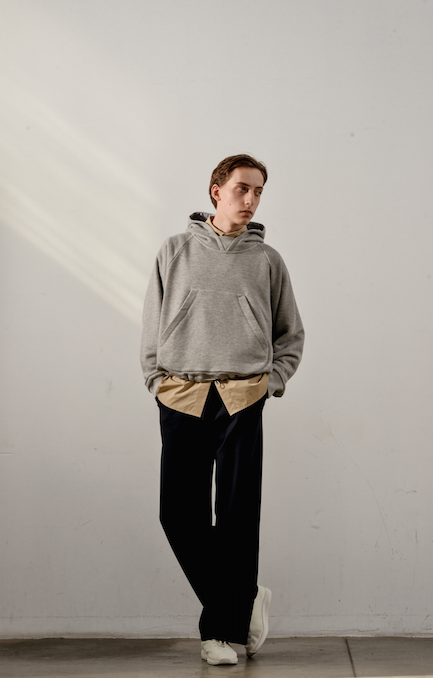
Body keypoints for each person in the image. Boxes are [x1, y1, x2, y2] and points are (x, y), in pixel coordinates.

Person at [140, 154, 304, 665]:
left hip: (242, 398)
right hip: (181, 396)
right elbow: (152, 323)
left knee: (236, 515)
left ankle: (219, 633)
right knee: (177, 513)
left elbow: (290, 334)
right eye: (242, 188)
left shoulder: (267, 260)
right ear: (217, 190)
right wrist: (156, 380)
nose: (251, 199)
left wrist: (271, 381)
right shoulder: (174, 250)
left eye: (258, 191)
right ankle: (243, 600)